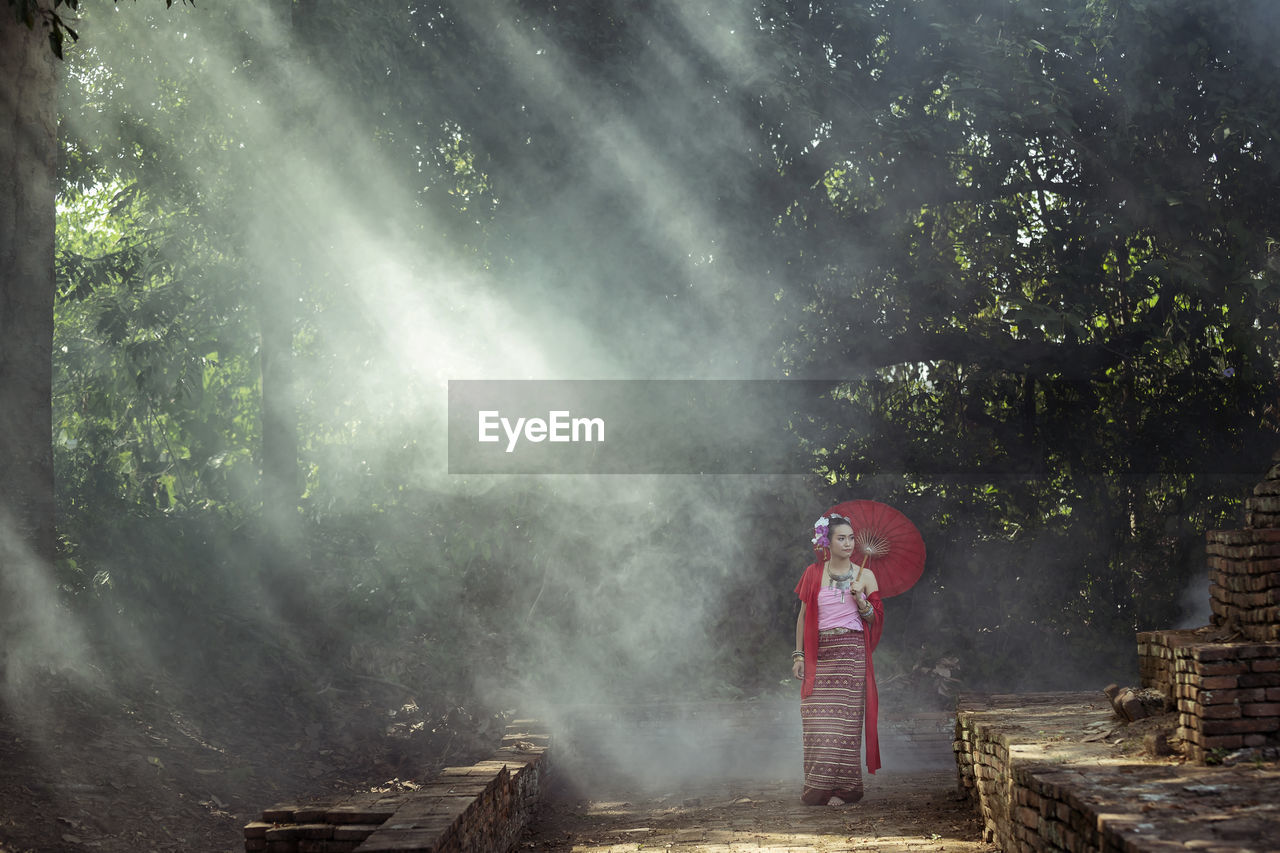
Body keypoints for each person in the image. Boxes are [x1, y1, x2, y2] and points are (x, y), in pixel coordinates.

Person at [791, 512, 884, 806]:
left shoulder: (865, 575)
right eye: (841, 538)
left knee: (845, 725)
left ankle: (844, 790)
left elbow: (875, 619)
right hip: (820, 653)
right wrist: (799, 656)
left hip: (851, 652)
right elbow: (803, 616)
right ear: (827, 542)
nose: (848, 543)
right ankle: (817, 787)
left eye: (851, 538)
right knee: (817, 721)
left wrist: (861, 600)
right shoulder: (813, 573)